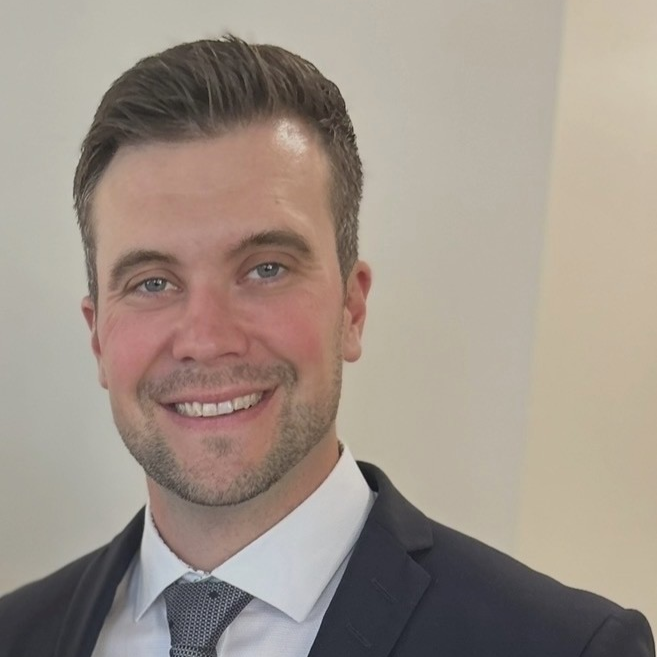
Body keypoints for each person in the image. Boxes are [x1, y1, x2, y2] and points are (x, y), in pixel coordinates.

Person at [0, 35, 653, 657]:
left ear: (351, 308)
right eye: (152, 282)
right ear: (97, 335)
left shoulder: (564, 645)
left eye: (265, 269)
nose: (206, 338)